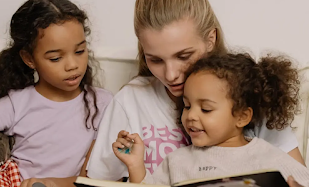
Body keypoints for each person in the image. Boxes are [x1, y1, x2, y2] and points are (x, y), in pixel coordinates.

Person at [87, 0, 305, 181]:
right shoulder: (130, 102)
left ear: (210, 40)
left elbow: (297, 179)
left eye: (184, 56)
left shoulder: (246, 88)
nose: (171, 75)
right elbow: (100, 181)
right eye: (155, 60)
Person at [113, 53, 309, 187]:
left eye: (206, 109)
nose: (191, 116)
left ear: (242, 116)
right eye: (187, 106)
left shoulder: (269, 157)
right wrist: (135, 165)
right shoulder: (177, 161)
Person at [0, 0, 112, 187]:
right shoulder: (17, 103)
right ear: (29, 59)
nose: (72, 65)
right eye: (55, 58)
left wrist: (52, 183)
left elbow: (93, 178)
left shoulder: (102, 104)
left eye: (80, 51)